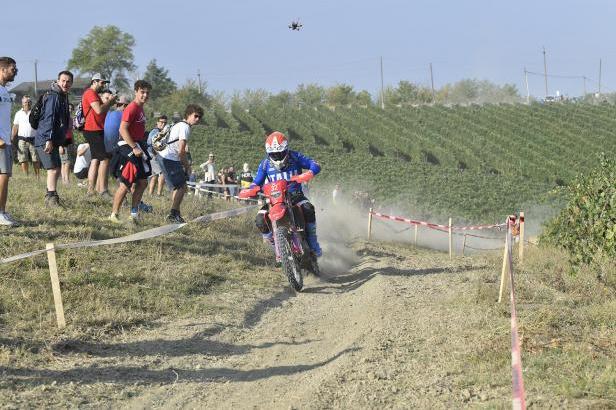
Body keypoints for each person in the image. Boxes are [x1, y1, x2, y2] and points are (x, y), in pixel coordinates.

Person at [240, 131, 322, 256]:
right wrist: (250, 189)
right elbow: (257, 182)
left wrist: (308, 173)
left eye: (280, 153)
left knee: (308, 208)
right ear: (269, 153)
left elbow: (314, 164)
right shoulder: (265, 164)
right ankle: (276, 247)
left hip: (294, 195)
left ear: (286, 150)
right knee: (260, 220)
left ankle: (313, 242)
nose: (277, 156)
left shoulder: (295, 156)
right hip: (274, 199)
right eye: (274, 154)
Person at [108, 80, 152, 224]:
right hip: (127, 146)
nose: (145, 95)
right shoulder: (132, 108)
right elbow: (122, 129)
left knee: (143, 182)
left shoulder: (141, 108)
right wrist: (134, 147)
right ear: (136, 92)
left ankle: (133, 214)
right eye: (142, 92)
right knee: (126, 183)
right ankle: (114, 214)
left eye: (147, 93)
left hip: (137, 145)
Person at [156, 104, 203, 223]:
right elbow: (181, 150)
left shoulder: (179, 124)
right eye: (195, 116)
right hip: (170, 158)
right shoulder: (185, 127)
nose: (197, 119)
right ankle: (173, 214)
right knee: (181, 186)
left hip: (165, 156)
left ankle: (176, 213)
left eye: (199, 117)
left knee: (179, 187)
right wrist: (187, 167)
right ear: (188, 115)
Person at [34, 70, 73, 206]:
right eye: (63, 80)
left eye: (68, 81)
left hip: (54, 138)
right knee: (53, 169)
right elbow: (49, 119)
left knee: (56, 167)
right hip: (45, 138)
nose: (65, 83)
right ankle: (51, 198)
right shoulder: (54, 96)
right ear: (57, 81)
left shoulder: (62, 96)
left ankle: (52, 194)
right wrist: (48, 139)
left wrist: (61, 141)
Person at [82, 73, 117, 198]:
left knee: (96, 160)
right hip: (93, 129)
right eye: (102, 82)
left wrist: (108, 103)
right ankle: (103, 190)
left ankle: (91, 190)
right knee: (105, 159)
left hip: (95, 129)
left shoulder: (94, 94)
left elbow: (101, 111)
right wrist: (110, 101)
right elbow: (99, 110)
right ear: (94, 81)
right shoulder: (90, 93)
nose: (104, 85)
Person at [0, 57, 19, 226]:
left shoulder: (4, 91)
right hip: (0, 141)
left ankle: (3, 211)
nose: (15, 72)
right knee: (3, 177)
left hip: (5, 140)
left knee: (4, 177)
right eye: (13, 69)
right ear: (2, 69)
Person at [11, 95, 40, 178]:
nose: (27, 103)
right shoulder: (18, 113)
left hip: (34, 139)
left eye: (28, 102)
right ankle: (26, 176)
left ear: (31, 103)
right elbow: (15, 126)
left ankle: (37, 177)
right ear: (22, 103)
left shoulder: (35, 112)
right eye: (25, 102)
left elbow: (40, 125)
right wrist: (12, 138)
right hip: (22, 140)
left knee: (36, 159)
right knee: (23, 159)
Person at [146, 115, 167, 196]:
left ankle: (150, 194)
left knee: (154, 175)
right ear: (157, 123)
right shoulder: (156, 131)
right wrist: (155, 154)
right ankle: (159, 194)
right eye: (161, 122)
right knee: (163, 173)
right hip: (153, 155)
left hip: (151, 154)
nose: (163, 124)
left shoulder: (160, 132)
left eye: (165, 123)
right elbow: (150, 143)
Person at [59, 103, 76, 185]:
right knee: (67, 161)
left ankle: (64, 180)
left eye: (71, 109)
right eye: (68, 108)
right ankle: (66, 180)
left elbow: (71, 131)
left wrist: (73, 141)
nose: (69, 110)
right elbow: (59, 132)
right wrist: (60, 146)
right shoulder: (62, 119)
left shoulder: (70, 119)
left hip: (69, 140)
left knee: (65, 162)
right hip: (63, 141)